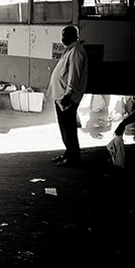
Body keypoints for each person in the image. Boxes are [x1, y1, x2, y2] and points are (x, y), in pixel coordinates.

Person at [47, 25, 88, 167]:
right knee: (64, 127)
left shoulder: (76, 51)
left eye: (65, 36)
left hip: (67, 98)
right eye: (62, 36)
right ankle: (69, 152)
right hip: (61, 97)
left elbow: (74, 76)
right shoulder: (70, 50)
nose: (62, 39)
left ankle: (73, 157)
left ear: (73, 36)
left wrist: (68, 94)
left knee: (69, 128)